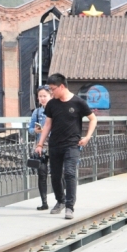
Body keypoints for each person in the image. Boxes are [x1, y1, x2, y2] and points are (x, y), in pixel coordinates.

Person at [33, 73, 96, 220]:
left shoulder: (78, 102)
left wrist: (87, 137)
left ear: (62, 86)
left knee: (69, 173)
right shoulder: (52, 104)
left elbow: (93, 119)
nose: (51, 92)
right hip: (55, 144)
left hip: (72, 145)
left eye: (52, 89)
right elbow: (47, 124)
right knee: (55, 176)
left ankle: (69, 206)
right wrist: (40, 144)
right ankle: (60, 201)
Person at [27, 86, 51, 210]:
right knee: (42, 174)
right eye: (40, 96)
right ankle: (44, 202)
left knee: (59, 174)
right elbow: (30, 129)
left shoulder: (56, 110)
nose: (42, 99)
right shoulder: (36, 112)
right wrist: (35, 131)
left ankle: (61, 200)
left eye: (44, 96)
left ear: (50, 96)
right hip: (40, 147)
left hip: (54, 146)